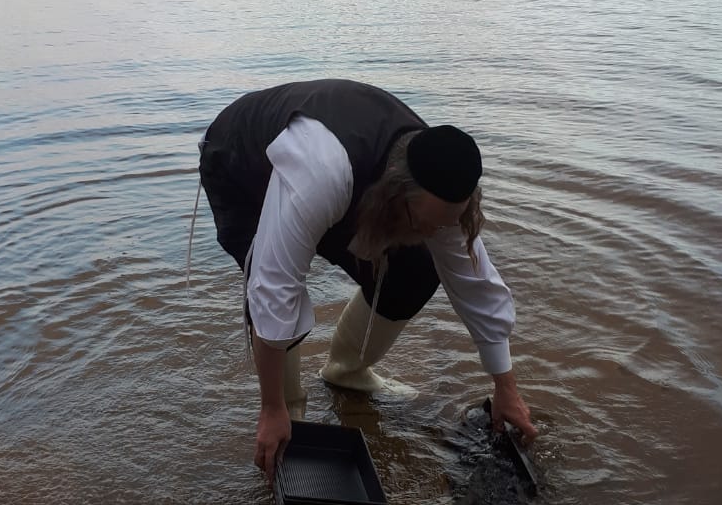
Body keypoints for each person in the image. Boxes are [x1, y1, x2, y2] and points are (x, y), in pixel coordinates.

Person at [197, 79, 536, 479]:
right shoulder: (321, 172)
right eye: (425, 223)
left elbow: (476, 285)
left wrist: (505, 389)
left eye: (442, 225)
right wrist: (271, 409)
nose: (434, 233)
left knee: (418, 268)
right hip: (242, 165)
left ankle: (346, 371)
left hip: (352, 183)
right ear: (395, 194)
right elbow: (274, 286)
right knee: (275, 281)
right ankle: (288, 411)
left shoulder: (440, 186)